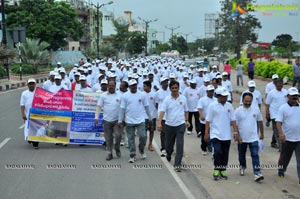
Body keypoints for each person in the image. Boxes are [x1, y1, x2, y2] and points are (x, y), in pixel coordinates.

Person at [204, 86, 238, 180]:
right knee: (218, 152)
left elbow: (233, 119)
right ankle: (216, 169)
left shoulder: (229, 106)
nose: (225, 98)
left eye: (226, 96)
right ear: (218, 96)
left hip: (226, 135)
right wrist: (206, 133)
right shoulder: (212, 106)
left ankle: (223, 169)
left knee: (225, 153)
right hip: (215, 134)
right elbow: (208, 120)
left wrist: (235, 132)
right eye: (223, 96)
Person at [157, 81, 190, 172]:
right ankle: (168, 154)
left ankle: (177, 164)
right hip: (169, 126)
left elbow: (186, 110)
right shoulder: (167, 99)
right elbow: (162, 112)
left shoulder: (183, 98)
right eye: (173, 88)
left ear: (178, 88)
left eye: (176, 88)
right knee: (169, 146)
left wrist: (187, 121)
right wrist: (159, 123)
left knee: (180, 145)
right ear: (170, 89)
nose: (175, 90)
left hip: (180, 125)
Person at [118, 79, 152, 163]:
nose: (134, 87)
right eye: (132, 85)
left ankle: (141, 149)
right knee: (131, 139)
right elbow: (122, 108)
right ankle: (132, 155)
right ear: (129, 87)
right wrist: (120, 120)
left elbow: (147, 106)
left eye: (135, 85)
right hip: (129, 120)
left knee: (143, 136)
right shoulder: (125, 96)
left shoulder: (142, 95)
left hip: (140, 120)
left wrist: (150, 117)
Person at [235, 92, 264, 182]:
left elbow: (260, 121)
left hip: (253, 137)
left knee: (255, 155)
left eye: (249, 101)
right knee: (241, 154)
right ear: (242, 100)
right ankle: (242, 167)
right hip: (242, 137)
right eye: (246, 101)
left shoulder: (256, 109)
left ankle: (257, 172)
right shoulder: (238, 111)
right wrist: (237, 135)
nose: (247, 103)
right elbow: (234, 124)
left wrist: (262, 133)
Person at [276, 87, 300, 186]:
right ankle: (281, 170)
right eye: (292, 95)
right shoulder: (283, 108)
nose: (294, 97)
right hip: (287, 138)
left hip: (299, 138)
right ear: (288, 96)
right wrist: (281, 134)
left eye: (296, 95)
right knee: (285, 157)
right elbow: (278, 122)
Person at [95, 80, 122, 161]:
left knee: (118, 136)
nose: (111, 87)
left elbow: (123, 108)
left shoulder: (120, 95)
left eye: (112, 85)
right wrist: (96, 117)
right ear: (107, 86)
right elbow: (99, 107)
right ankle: (109, 153)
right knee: (108, 138)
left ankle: (117, 147)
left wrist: (123, 119)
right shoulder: (103, 96)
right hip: (106, 120)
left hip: (117, 120)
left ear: (115, 86)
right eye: (109, 85)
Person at [265, 79, 288, 151]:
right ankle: (281, 146)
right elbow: (267, 104)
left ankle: (273, 142)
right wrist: (267, 113)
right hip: (274, 114)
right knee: (276, 130)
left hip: (283, 114)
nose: (280, 87)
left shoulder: (286, 92)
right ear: (275, 85)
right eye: (278, 86)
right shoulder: (271, 93)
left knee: (281, 129)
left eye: (281, 86)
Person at [20, 78, 39, 149]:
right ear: (27, 85)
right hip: (28, 114)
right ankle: (30, 138)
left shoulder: (38, 92)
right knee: (28, 128)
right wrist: (23, 114)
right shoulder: (24, 93)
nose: (31, 85)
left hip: (37, 113)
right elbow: (22, 105)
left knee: (36, 128)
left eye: (32, 84)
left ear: (35, 84)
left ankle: (36, 143)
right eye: (30, 84)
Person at [198, 85, 216, 155]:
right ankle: (204, 148)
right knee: (204, 135)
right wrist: (201, 115)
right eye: (210, 91)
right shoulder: (202, 99)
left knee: (212, 135)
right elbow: (199, 108)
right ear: (207, 92)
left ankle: (211, 147)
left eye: (212, 91)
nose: (211, 93)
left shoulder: (215, 99)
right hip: (204, 121)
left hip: (213, 121)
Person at [155, 77, 170, 157]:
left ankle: (169, 147)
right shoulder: (158, 93)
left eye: (167, 82)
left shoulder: (170, 91)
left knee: (169, 132)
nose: (166, 84)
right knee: (163, 132)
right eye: (164, 82)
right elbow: (156, 104)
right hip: (162, 115)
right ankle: (163, 148)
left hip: (170, 115)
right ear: (161, 84)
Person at [143, 80, 157, 151]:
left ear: (148, 87)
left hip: (152, 116)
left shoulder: (154, 94)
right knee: (144, 132)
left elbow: (156, 105)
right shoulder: (142, 94)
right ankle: (143, 144)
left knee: (151, 131)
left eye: (144, 86)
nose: (143, 87)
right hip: (144, 116)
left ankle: (150, 144)